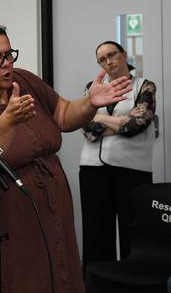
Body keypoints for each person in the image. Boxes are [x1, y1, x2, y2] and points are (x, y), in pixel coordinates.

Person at [0, 10, 131, 293]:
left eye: (9, 54)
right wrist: (8, 120)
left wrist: (90, 103)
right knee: (21, 279)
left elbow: (64, 113)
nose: (7, 64)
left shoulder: (24, 79)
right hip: (7, 215)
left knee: (60, 269)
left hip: (50, 202)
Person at [79, 40, 156, 277]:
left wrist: (103, 121)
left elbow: (138, 123)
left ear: (123, 55)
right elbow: (87, 126)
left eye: (112, 55)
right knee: (96, 232)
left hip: (131, 169)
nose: (108, 61)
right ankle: (98, 283)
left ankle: (134, 283)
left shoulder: (144, 86)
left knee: (133, 232)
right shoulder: (93, 87)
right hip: (93, 168)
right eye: (102, 59)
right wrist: (118, 122)